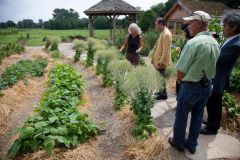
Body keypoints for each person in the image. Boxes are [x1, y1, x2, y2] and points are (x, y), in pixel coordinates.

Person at [168, 11, 220, 154]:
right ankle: (192, 145)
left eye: (191, 22)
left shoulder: (193, 43)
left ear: (199, 23)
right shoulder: (215, 43)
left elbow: (180, 72)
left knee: (182, 114)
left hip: (191, 86)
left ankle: (178, 142)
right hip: (207, 85)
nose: (188, 25)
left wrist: (181, 81)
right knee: (198, 115)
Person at [200, 12, 240, 135]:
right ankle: (212, 121)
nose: (223, 27)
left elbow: (218, 58)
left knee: (215, 102)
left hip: (219, 77)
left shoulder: (236, 44)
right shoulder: (231, 39)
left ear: (234, 27)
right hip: (216, 75)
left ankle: (212, 128)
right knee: (212, 101)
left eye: (225, 25)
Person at [152, 17, 172, 100]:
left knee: (161, 78)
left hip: (161, 61)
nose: (155, 26)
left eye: (156, 24)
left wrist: (161, 61)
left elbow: (166, 50)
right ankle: (160, 91)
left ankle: (163, 94)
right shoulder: (163, 32)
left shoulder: (166, 34)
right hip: (159, 60)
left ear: (161, 24)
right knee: (159, 77)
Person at [176, 23, 193, 98]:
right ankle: (178, 100)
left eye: (184, 31)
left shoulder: (192, 42)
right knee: (178, 86)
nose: (183, 33)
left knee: (181, 86)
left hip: (185, 72)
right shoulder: (186, 39)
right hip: (181, 69)